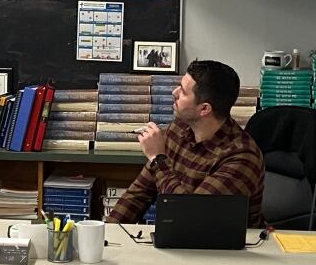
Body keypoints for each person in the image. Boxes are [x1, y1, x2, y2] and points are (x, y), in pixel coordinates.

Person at [106, 60, 265, 227]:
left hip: (224, 248)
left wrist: (158, 159)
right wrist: (106, 232)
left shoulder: (241, 157)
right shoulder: (178, 128)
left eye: (182, 91)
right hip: (182, 242)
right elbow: (139, 193)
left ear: (204, 109)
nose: (174, 92)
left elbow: (189, 219)